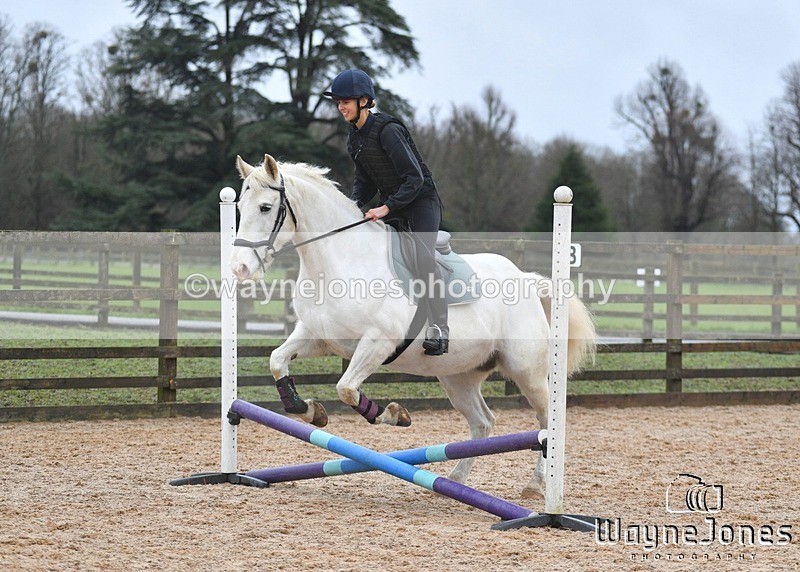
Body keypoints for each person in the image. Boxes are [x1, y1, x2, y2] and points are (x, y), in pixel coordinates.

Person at [323, 68, 448, 355]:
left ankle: (440, 328)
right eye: (338, 102)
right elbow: (364, 182)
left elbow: (414, 179)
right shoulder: (354, 138)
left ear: (364, 101)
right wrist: (352, 208)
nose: (341, 107)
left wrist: (385, 207)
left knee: (422, 257)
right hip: (393, 204)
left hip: (420, 203)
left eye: (346, 101)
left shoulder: (388, 131)